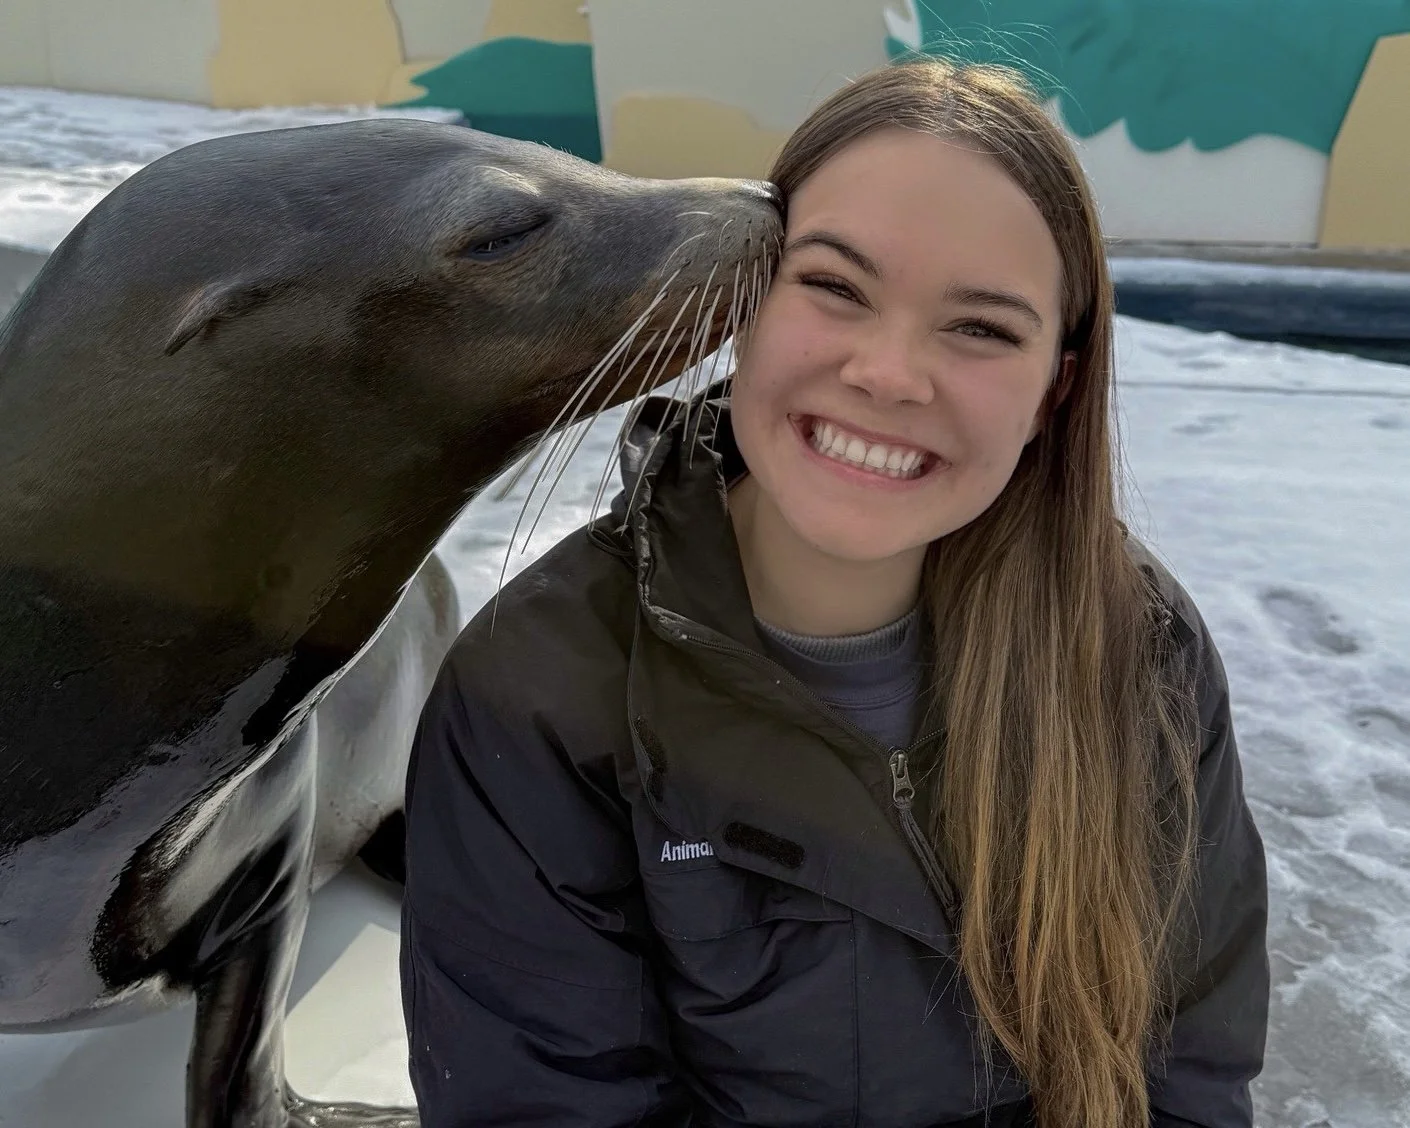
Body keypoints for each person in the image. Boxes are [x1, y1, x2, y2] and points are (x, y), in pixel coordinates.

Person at [398, 58, 1270, 1128]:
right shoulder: (537, 698)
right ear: (742, 302)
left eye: (983, 328)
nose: (891, 374)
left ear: (1057, 389)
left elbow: (1187, 1078)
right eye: (835, 287)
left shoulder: (1139, 649)